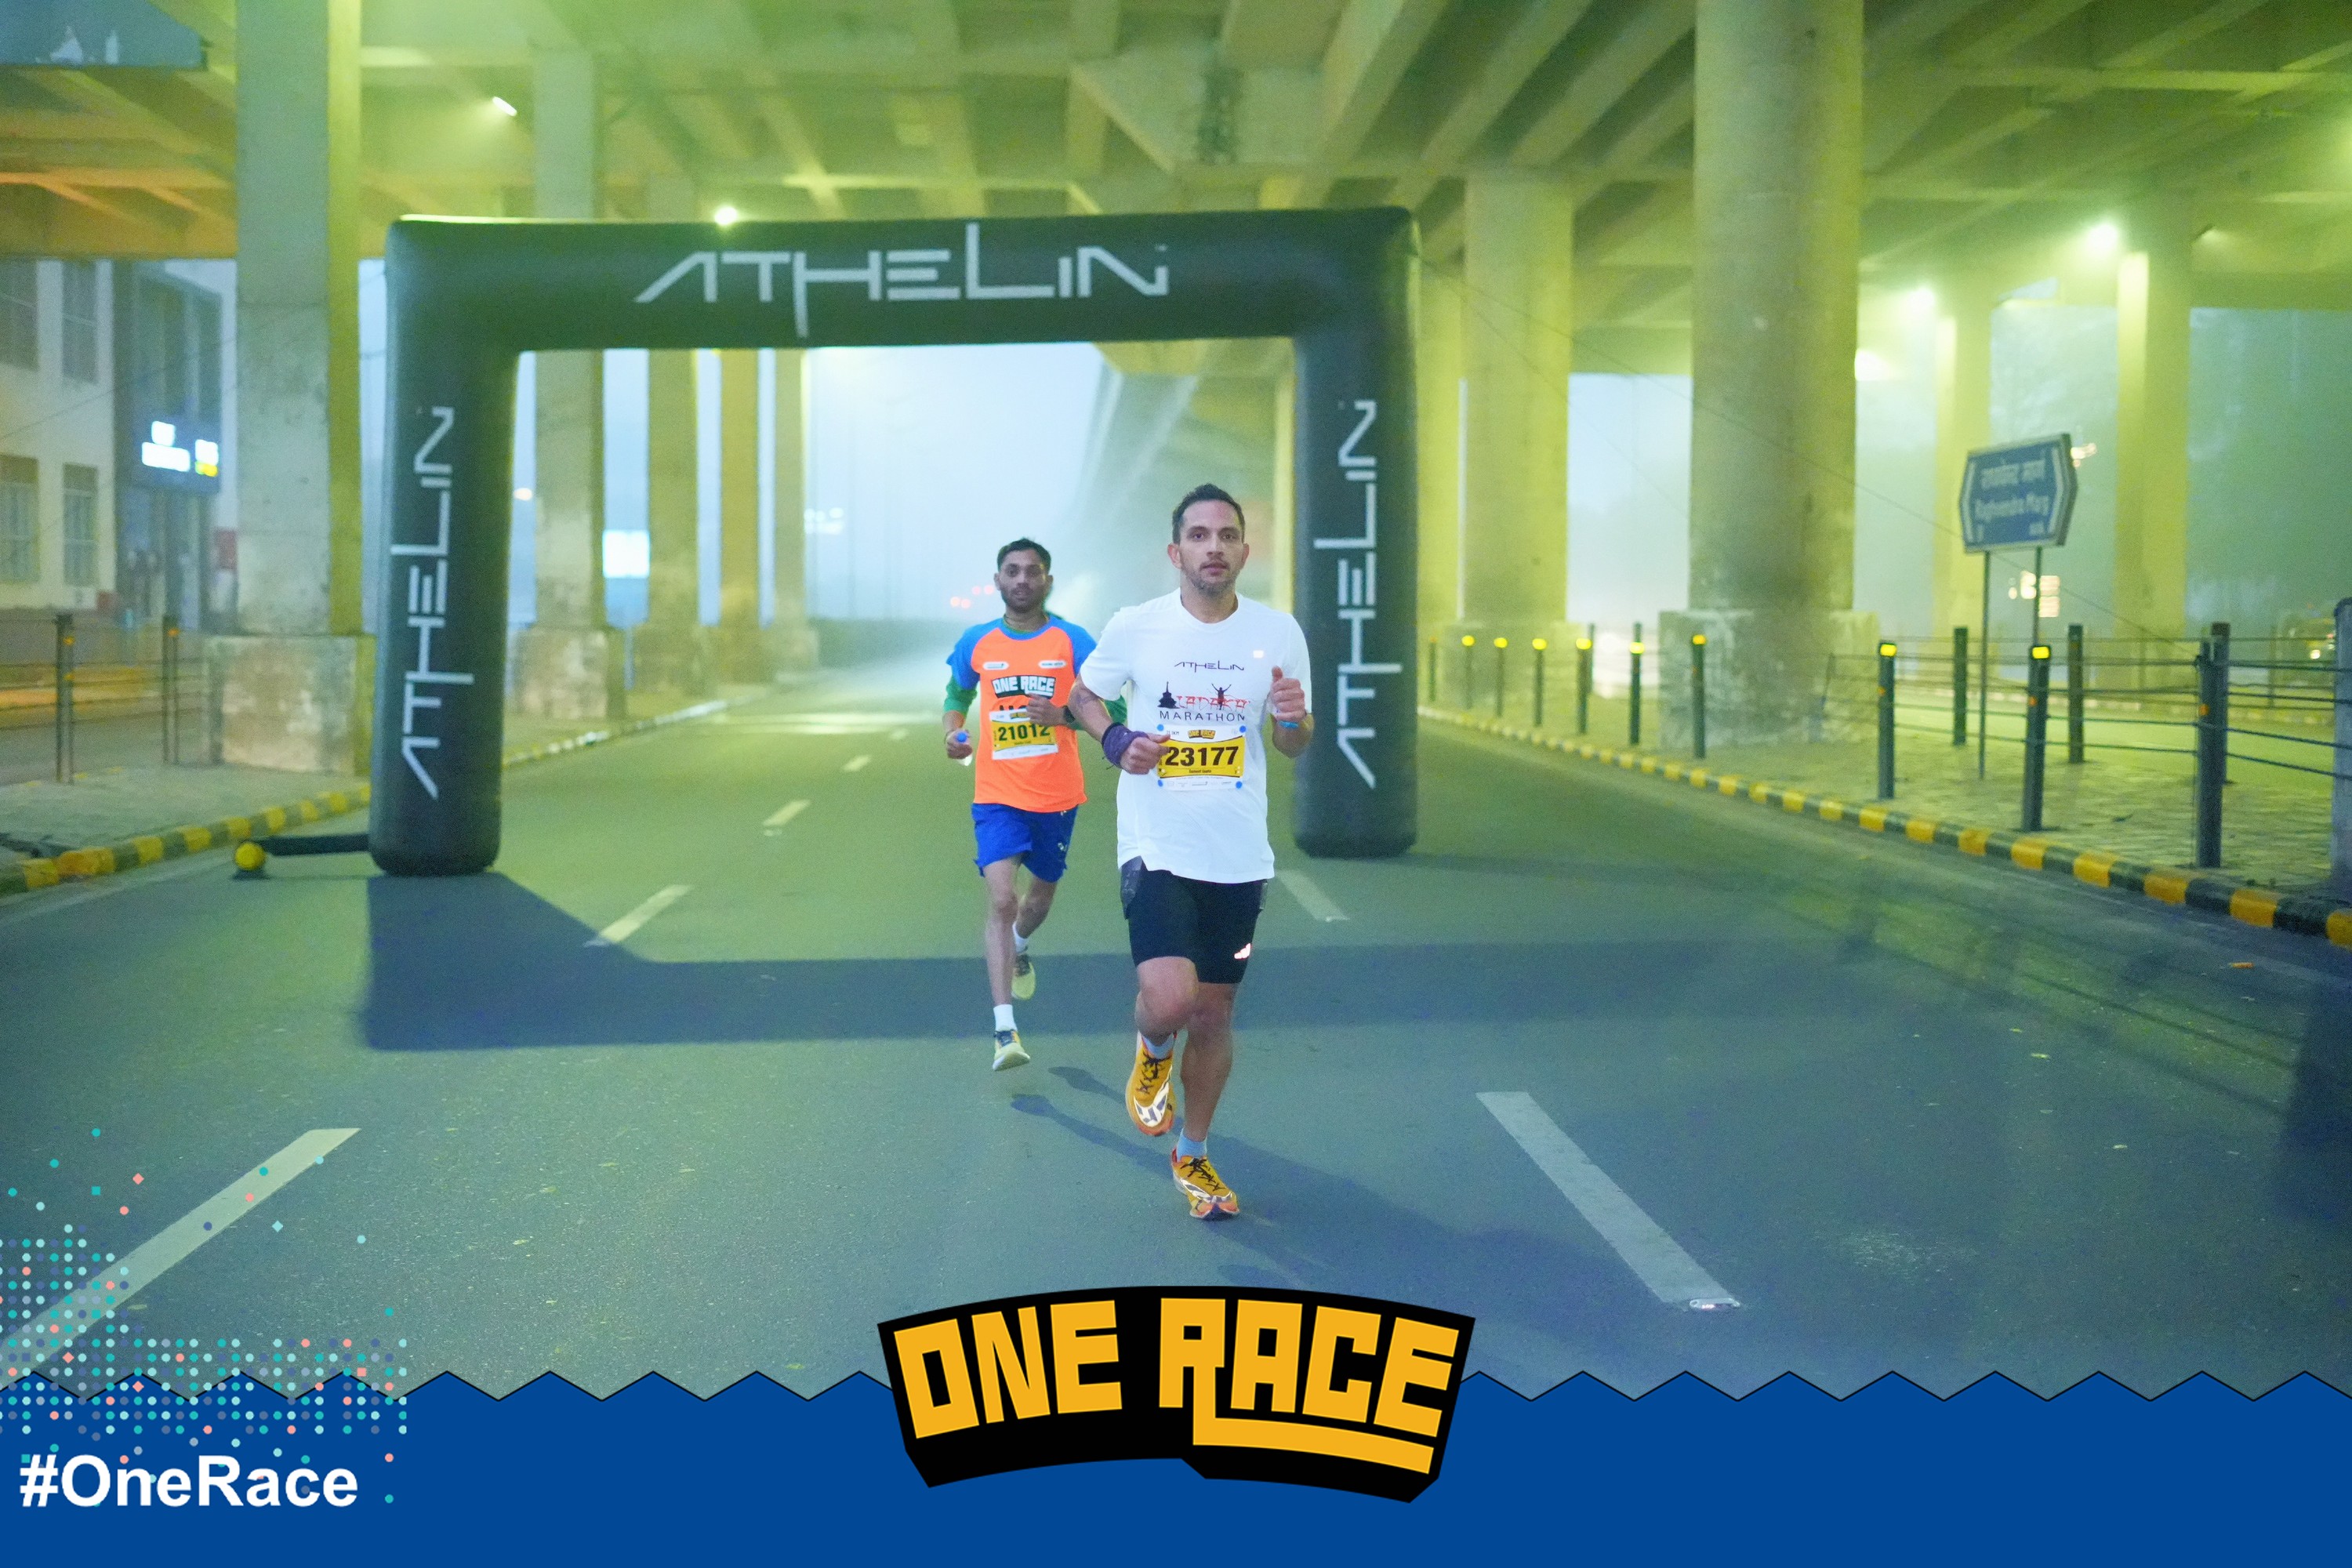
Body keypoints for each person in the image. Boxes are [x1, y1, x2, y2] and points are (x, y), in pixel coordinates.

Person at [1065, 483, 1312, 1219]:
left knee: (1212, 1013)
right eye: (1199, 536)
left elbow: (1294, 744)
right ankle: (1152, 1049)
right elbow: (1082, 696)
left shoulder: (1278, 633)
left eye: (1227, 535)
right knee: (1172, 1001)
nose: (1214, 547)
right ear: (1175, 553)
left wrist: (1293, 721)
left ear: (1245, 551)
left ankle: (1194, 1153)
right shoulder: (1137, 625)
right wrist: (1115, 738)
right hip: (1157, 845)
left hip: (1237, 855)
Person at [942, 539, 1116, 1072]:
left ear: (1048, 581)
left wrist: (1063, 717)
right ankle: (1004, 1032)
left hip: (1057, 796)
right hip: (997, 795)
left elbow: (1112, 705)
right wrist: (953, 733)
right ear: (998, 581)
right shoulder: (978, 641)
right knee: (1001, 900)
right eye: (1012, 571)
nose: (1022, 580)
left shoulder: (1073, 640)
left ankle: (1020, 944)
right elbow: (957, 695)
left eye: (1032, 572)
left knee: (1036, 903)